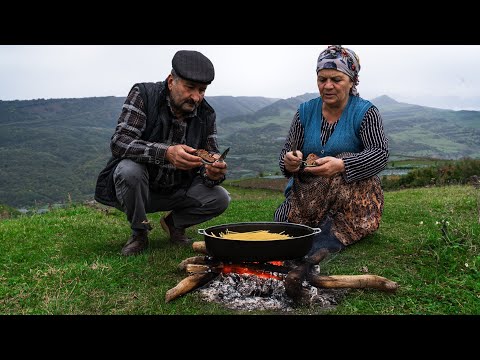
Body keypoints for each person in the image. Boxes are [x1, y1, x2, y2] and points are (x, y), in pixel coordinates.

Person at [94, 50, 231, 256]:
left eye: (202, 90)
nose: (196, 97)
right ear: (170, 81)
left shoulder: (206, 114)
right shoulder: (144, 95)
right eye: (190, 87)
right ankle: (139, 232)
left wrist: (213, 172)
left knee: (221, 198)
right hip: (140, 190)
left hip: (178, 189)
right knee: (129, 170)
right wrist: (165, 153)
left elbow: (210, 156)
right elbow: (120, 143)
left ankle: (174, 224)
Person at [274, 45, 389, 255]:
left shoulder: (366, 112)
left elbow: (379, 153)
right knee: (282, 222)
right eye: (322, 79)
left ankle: (333, 231)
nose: (328, 86)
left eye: (336, 79)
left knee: (327, 233)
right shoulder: (305, 111)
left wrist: (343, 165)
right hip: (307, 193)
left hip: (350, 192)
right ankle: (315, 227)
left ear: (352, 81)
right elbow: (286, 153)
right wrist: (290, 161)